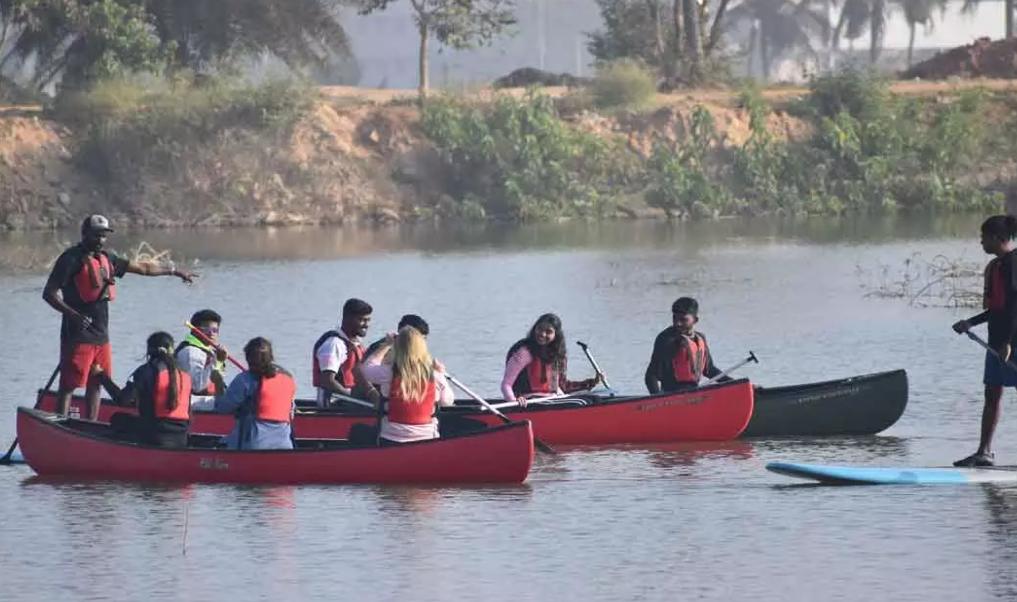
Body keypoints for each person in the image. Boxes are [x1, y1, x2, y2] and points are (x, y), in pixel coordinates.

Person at [42, 214, 196, 421]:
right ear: (84, 233)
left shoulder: (108, 259)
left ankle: (91, 424)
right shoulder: (70, 259)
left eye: (103, 236)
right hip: (77, 334)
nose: (100, 240)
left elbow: (143, 268)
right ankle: (60, 424)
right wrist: (74, 315)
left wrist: (174, 271)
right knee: (68, 385)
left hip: (101, 336)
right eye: (96, 235)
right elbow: (49, 294)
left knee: (97, 382)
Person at [951, 215, 1017, 467]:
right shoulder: (997, 265)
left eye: (983, 237)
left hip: (1012, 343)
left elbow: (1015, 306)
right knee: (992, 393)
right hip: (997, 341)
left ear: (997, 238)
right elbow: (998, 309)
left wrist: (1009, 342)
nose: (981, 242)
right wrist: (970, 322)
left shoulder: (1013, 263)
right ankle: (984, 453)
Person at [90, 331, 192, 448]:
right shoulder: (185, 375)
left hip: (155, 437)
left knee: (118, 419)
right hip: (181, 439)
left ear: (149, 351)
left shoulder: (146, 370)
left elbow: (122, 400)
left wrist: (101, 376)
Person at [354, 326, 454, 444]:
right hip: (427, 441)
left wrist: (386, 345)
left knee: (357, 429)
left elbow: (366, 369)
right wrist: (441, 373)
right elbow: (447, 402)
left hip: (390, 440)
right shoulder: (435, 375)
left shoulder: (388, 373)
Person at [213, 337, 297, 450]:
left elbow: (222, 408)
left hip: (252, 446)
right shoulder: (288, 379)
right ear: (271, 357)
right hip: (285, 446)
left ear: (248, 359)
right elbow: (291, 413)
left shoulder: (244, 380)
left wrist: (218, 384)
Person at [500, 313, 602, 405]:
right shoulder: (524, 353)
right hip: (530, 402)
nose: (542, 334)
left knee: (595, 399)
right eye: (540, 329)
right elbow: (506, 385)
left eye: (548, 331)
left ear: (556, 335)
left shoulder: (556, 355)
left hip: (552, 399)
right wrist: (514, 402)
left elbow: (563, 387)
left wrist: (592, 382)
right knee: (585, 402)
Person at [644, 297, 727, 394]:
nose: (677, 323)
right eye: (675, 318)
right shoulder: (667, 339)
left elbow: (710, 370)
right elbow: (651, 376)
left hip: (693, 394)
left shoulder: (700, 338)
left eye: (683, 320)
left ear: (695, 320)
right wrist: (658, 399)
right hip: (671, 396)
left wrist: (734, 384)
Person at [312, 298, 372, 407]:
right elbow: (327, 381)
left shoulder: (356, 343)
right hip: (334, 404)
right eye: (362, 320)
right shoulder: (334, 344)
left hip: (352, 402)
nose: (366, 324)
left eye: (368, 320)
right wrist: (354, 398)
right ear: (347, 319)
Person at [175, 309, 228, 409]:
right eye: (206, 330)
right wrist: (217, 361)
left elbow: (217, 379)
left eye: (215, 330)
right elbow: (197, 387)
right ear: (195, 331)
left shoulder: (210, 351)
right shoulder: (190, 352)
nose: (211, 334)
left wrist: (220, 362)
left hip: (206, 400)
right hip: (192, 403)